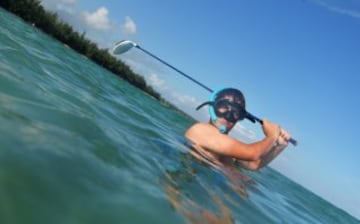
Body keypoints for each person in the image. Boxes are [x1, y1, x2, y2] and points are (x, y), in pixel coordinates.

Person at [185, 87, 291, 170]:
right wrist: (272, 136)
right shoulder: (200, 131)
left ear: (240, 117)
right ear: (212, 107)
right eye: (224, 107)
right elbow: (253, 154)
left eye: (236, 112)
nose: (228, 116)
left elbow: (254, 164)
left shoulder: (229, 148)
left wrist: (278, 146)